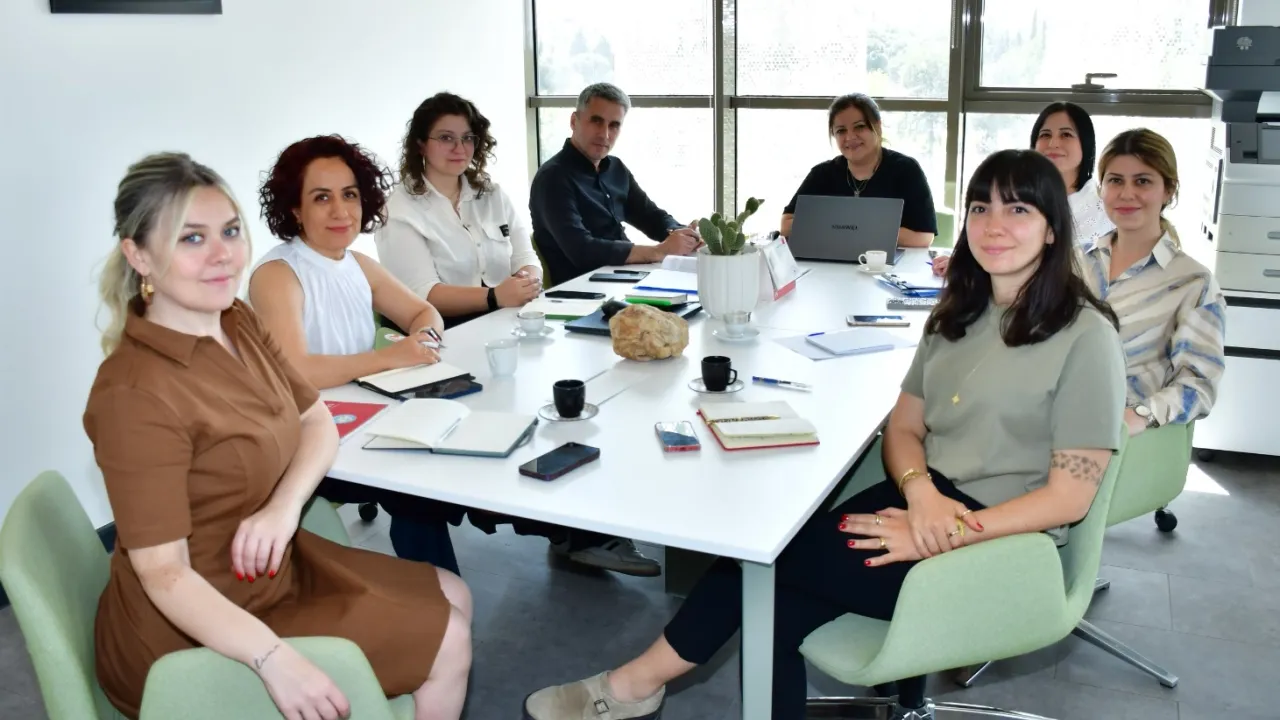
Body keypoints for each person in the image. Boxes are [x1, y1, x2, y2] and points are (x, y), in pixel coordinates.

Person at [523, 148, 1127, 720]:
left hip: (1001, 541)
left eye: (1018, 209)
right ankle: (632, 688)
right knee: (771, 597)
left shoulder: (1086, 337)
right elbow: (904, 427)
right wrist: (921, 495)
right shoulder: (956, 314)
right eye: (979, 207)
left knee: (759, 570)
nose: (994, 225)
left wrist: (945, 530)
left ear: (1053, 229)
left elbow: (1069, 498)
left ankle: (630, 687)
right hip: (925, 498)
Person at [85, 152, 472, 720]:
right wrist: (272, 659)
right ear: (138, 255)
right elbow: (163, 572)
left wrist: (284, 508)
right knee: (449, 638)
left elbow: (316, 421)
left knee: (454, 592)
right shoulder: (133, 394)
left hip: (267, 566)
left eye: (230, 231)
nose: (222, 255)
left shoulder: (235, 320)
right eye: (191, 239)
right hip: (191, 626)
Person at [249, 134, 470, 575]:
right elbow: (297, 373)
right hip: (302, 437)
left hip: (358, 415)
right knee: (413, 487)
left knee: (436, 457)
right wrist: (390, 357)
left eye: (349, 195)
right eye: (321, 198)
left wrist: (423, 339)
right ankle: (437, 594)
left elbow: (424, 311)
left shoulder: (356, 263)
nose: (341, 211)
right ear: (295, 209)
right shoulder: (278, 274)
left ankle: (440, 591)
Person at [1081, 128, 1226, 436]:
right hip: (1055, 426)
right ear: (1101, 188)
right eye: (1115, 180)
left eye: (1142, 181)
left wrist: (1137, 416)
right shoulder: (1075, 263)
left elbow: (1198, 386)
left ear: (1168, 190)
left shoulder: (1193, 283)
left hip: (1130, 441)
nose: (1126, 194)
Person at [375, 92, 543, 327]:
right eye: (446, 138)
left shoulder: (492, 194)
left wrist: (526, 283)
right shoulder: (398, 210)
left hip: (506, 319)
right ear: (421, 144)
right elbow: (423, 293)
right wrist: (495, 296)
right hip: (440, 331)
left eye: (467, 138)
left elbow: (525, 257)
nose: (460, 148)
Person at [529, 82, 702, 287]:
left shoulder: (616, 168)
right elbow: (582, 250)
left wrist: (683, 234)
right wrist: (659, 251)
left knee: (700, 287)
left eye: (614, 125)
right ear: (574, 121)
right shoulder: (552, 178)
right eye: (596, 121)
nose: (605, 134)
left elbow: (650, 215)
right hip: (583, 290)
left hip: (625, 278)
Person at [933, 101, 1112, 277]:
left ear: (1086, 144)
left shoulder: (1107, 212)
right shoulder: (1015, 195)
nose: (1053, 143)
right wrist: (966, 263)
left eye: (1066, 135)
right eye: (1045, 135)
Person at [780, 93, 937, 248]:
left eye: (860, 127)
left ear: (877, 126)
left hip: (888, 262)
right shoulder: (822, 173)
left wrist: (854, 228)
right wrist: (847, 227)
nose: (850, 137)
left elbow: (924, 237)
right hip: (832, 259)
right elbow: (786, 225)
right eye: (841, 131)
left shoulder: (906, 170)